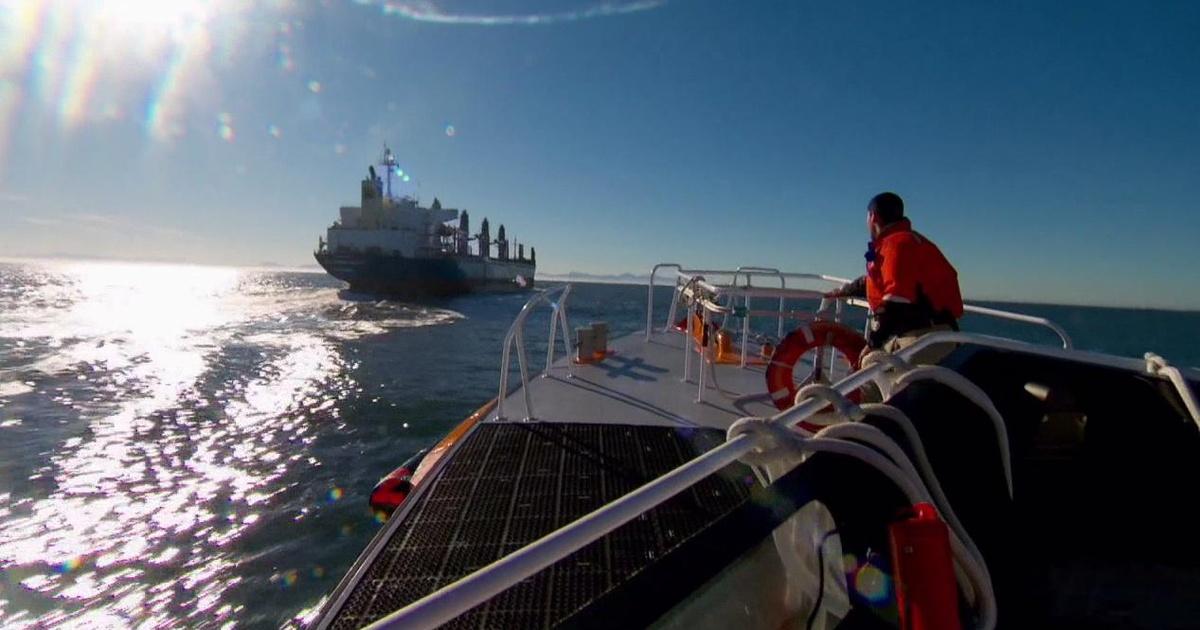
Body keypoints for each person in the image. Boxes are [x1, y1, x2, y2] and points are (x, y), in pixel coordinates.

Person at [825, 192, 963, 360]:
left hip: (925, 339)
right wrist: (845, 290)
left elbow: (897, 299)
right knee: (867, 372)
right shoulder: (901, 242)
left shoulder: (898, 245)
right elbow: (876, 281)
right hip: (920, 334)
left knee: (870, 374)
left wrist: (873, 343)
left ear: (873, 216)